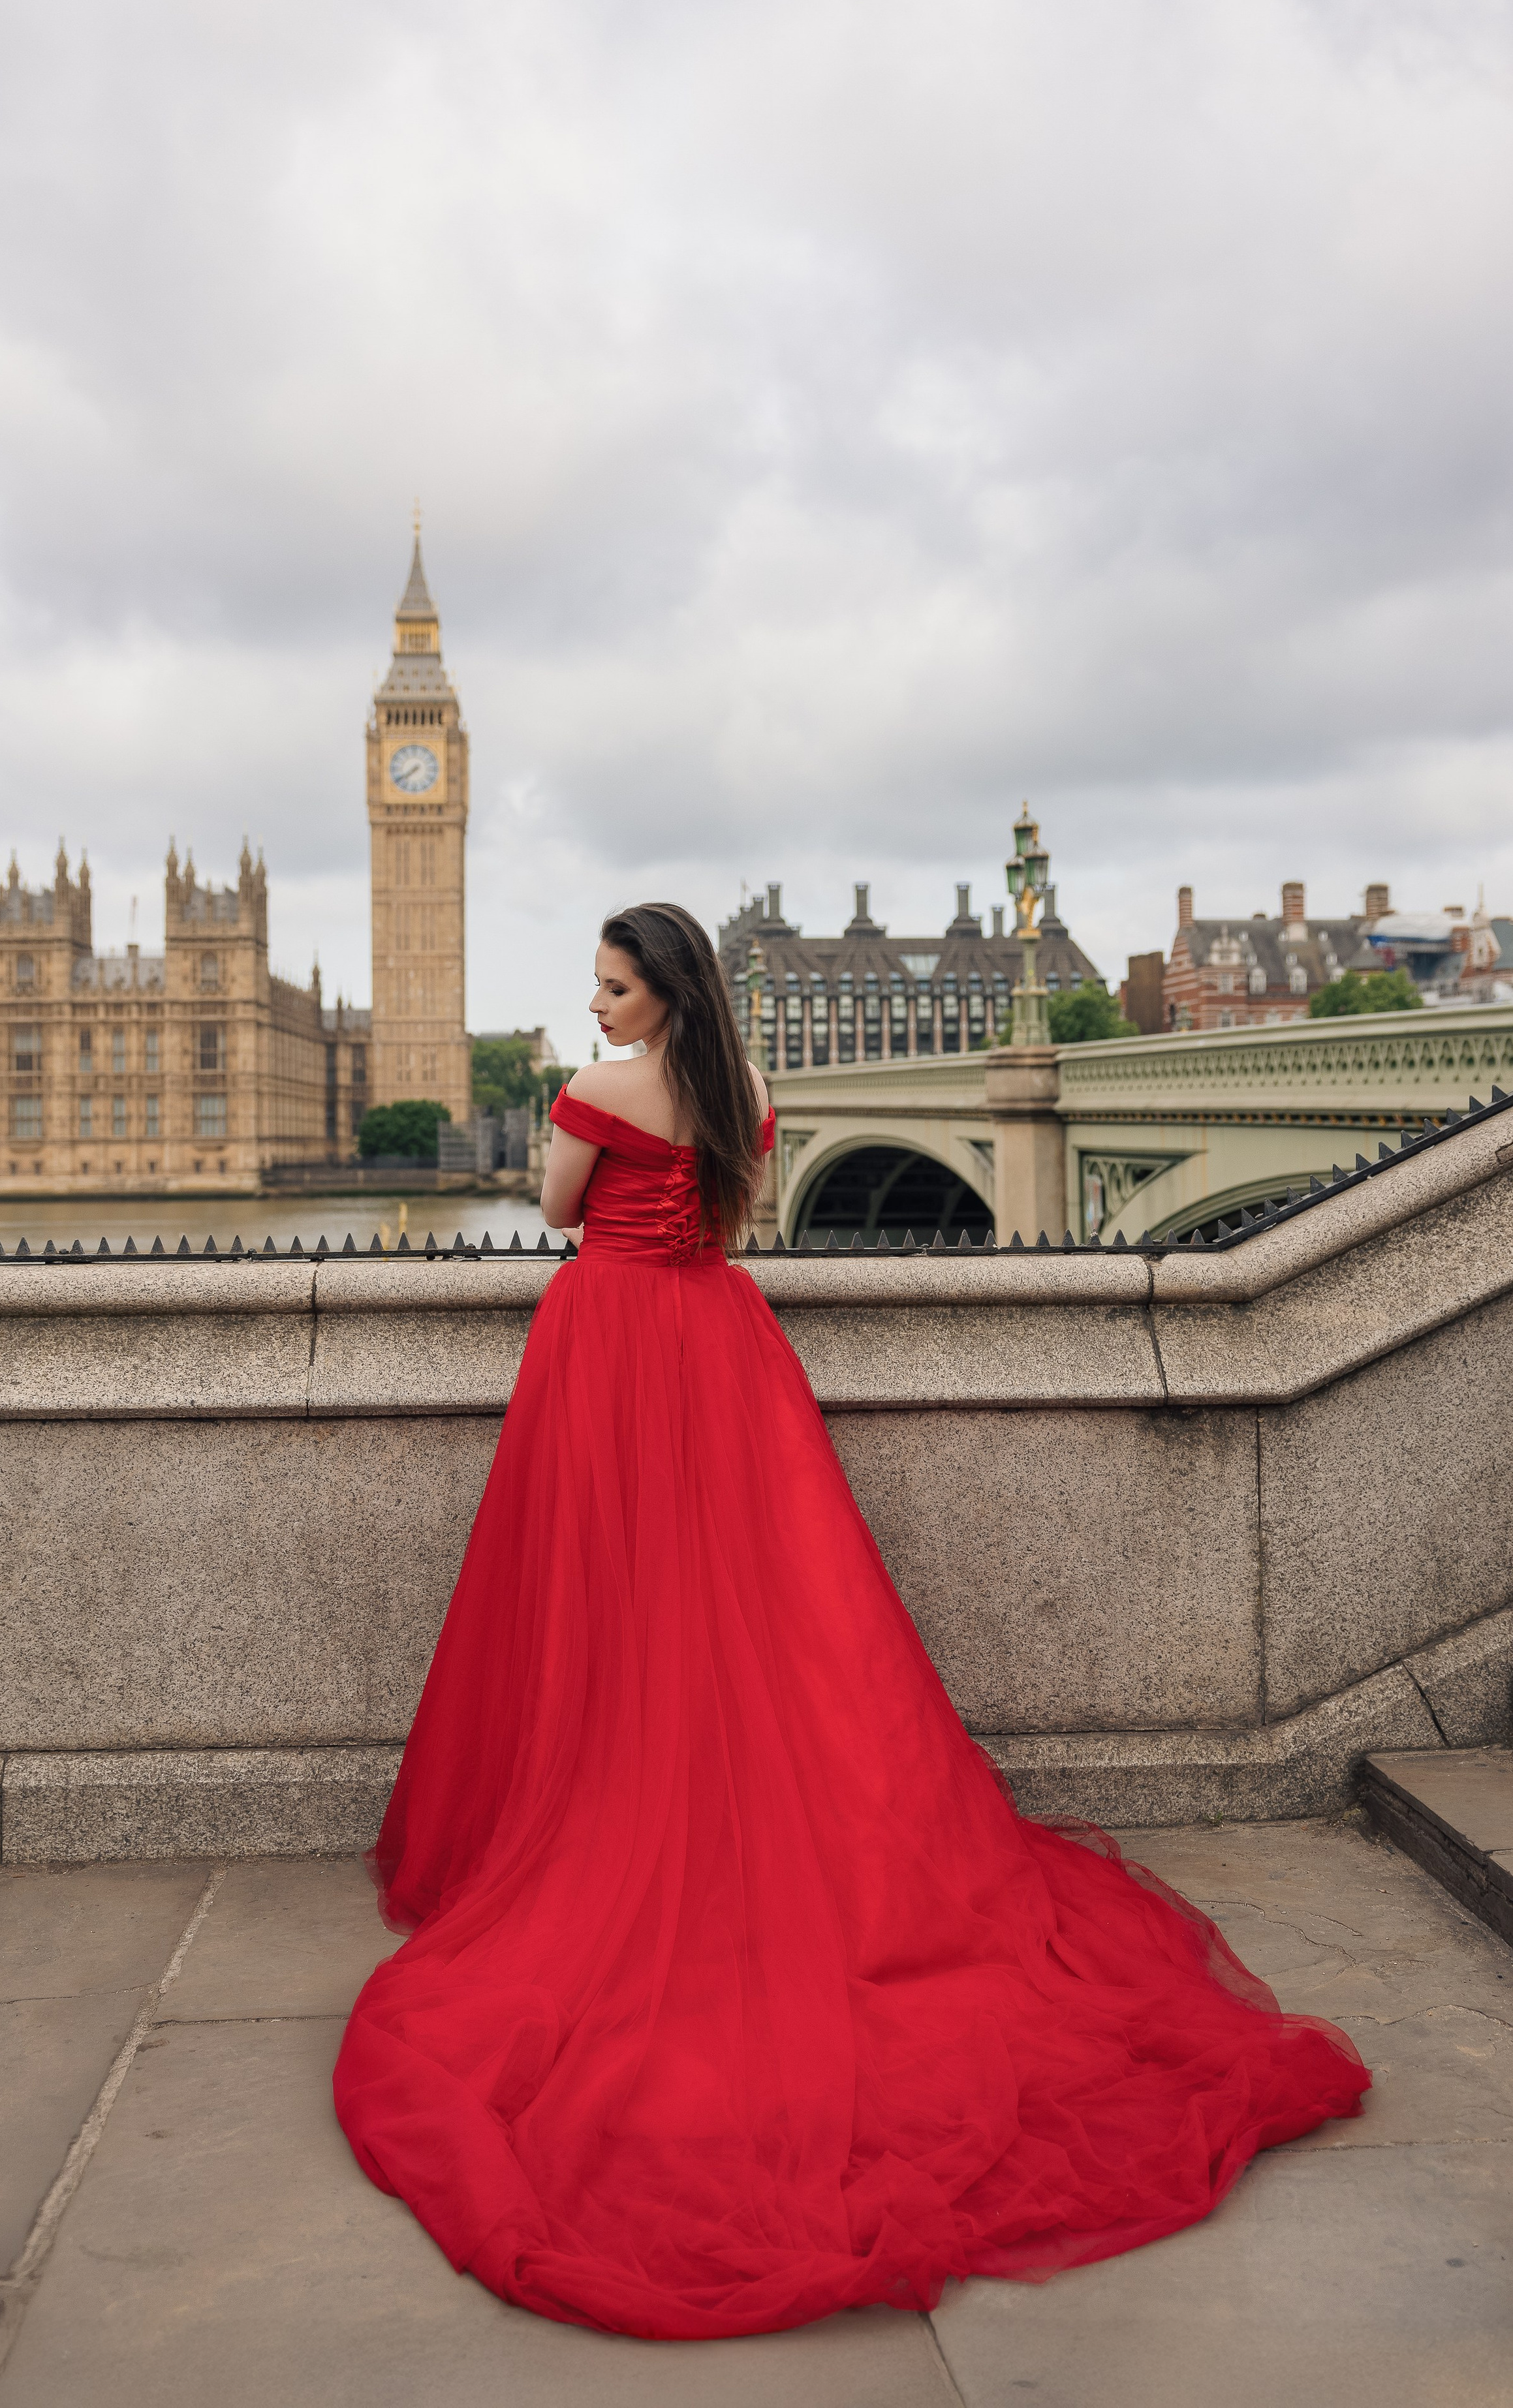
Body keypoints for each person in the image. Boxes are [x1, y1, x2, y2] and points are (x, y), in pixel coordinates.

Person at [335, 903, 1367, 2341]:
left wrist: (591, 1122)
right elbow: (719, 1204)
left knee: (609, 1611)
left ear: (660, 990)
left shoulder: (595, 1093)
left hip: (614, 1347)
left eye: (615, 984)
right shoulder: (748, 1093)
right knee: (763, 1620)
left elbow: (561, 1213)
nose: (597, 1003)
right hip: (722, 1345)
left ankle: (627, 1817)